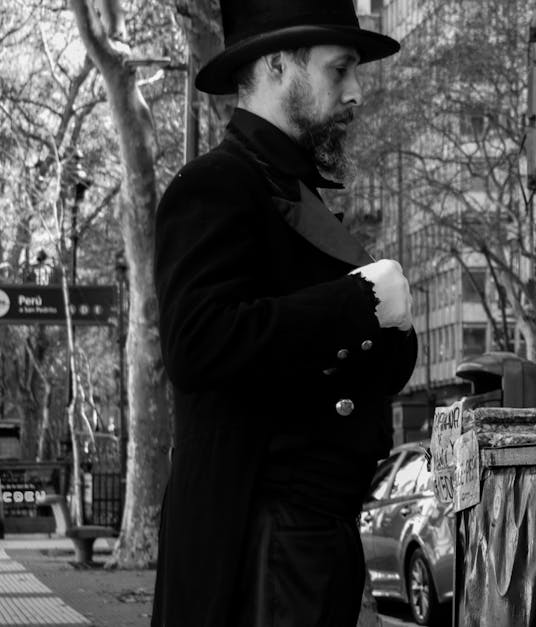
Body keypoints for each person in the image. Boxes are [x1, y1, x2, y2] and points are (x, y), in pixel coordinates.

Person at [151, 1, 418, 625]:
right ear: (276, 63)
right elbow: (196, 343)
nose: (355, 93)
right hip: (257, 542)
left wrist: (386, 325)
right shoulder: (213, 185)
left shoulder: (288, 192)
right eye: (341, 69)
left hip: (309, 539)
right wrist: (358, 304)